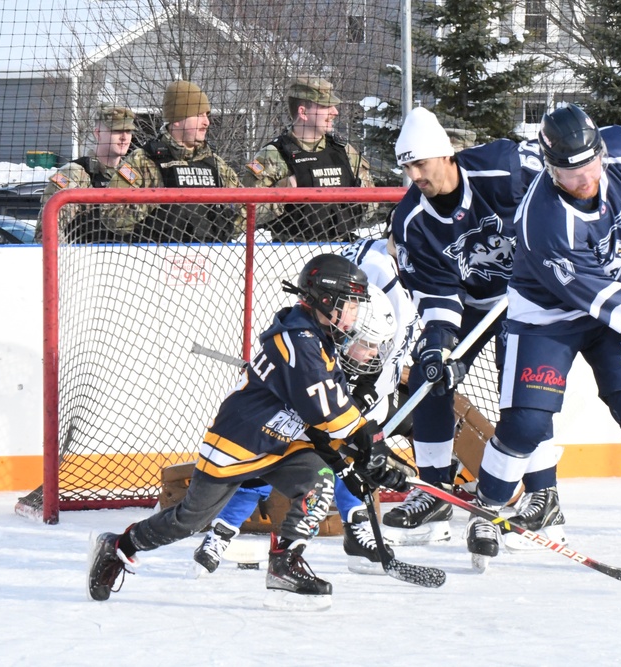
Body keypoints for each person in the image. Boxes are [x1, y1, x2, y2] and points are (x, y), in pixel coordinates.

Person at [466, 104, 621, 569]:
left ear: (601, 151)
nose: (583, 180)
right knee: (524, 424)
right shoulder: (543, 220)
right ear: (549, 168)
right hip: (547, 316)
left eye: (588, 166)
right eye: (568, 172)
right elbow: (594, 295)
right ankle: (486, 510)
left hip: (609, 308)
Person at [87, 253, 411, 607]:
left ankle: (285, 564)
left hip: (283, 443)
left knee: (318, 480)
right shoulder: (299, 342)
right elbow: (329, 411)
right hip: (240, 442)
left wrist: (367, 455)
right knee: (188, 522)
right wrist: (369, 442)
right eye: (350, 304)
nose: (354, 313)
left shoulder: (321, 338)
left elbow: (326, 419)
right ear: (326, 300)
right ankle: (118, 546)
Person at [385, 106, 553, 547]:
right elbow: (437, 294)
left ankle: (543, 492)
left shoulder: (502, 166)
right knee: (428, 373)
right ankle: (436, 488)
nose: (415, 175)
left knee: (523, 385)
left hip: (531, 296)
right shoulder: (410, 222)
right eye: (407, 167)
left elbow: (556, 190)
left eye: (421, 164)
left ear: (446, 156)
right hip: (474, 303)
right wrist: (440, 345)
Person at [192, 271, 418, 576]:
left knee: (346, 462)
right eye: (368, 343)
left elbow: (354, 424)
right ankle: (221, 533)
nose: (375, 353)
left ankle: (357, 527)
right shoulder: (313, 347)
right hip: (282, 428)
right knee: (257, 470)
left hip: (320, 432)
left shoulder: (364, 364)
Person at [106, 80, 243, 242]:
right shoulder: (143, 161)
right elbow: (110, 216)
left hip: (212, 258)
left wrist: (225, 224)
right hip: (157, 258)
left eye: (207, 115)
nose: (207, 122)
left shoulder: (215, 163)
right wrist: (155, 200)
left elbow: (247, 209)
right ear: (177, 119)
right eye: (199, 115)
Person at [246, 76, 374, 242]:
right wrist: (282, 192)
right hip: (291, 255)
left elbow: (372, 204)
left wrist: (359, 199)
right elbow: (244, 212)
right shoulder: (273, 156)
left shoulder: (345, 152)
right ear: (303, 112)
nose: (335, 112)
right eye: (325, 106)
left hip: (344, 250)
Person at [37, 104, 136, 242]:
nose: (124, 138)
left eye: (129, 131)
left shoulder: (133, 175)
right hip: (81, 258)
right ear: (98, 133)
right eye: (117, 130)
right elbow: (46, 234)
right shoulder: (75, 173)